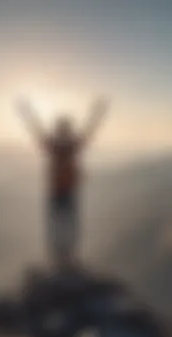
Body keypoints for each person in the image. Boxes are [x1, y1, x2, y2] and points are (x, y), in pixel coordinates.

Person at [17, 97, 109, 268]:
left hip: (57, 190)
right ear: (67, 129)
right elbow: (90, 128)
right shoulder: (71, 145)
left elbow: (36, 129)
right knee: (69, 223)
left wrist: (26, 112)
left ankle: (60, 257)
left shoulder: (55, 145)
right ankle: (67, 257)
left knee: (57, 223)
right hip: (67, 190)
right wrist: (99, 112)